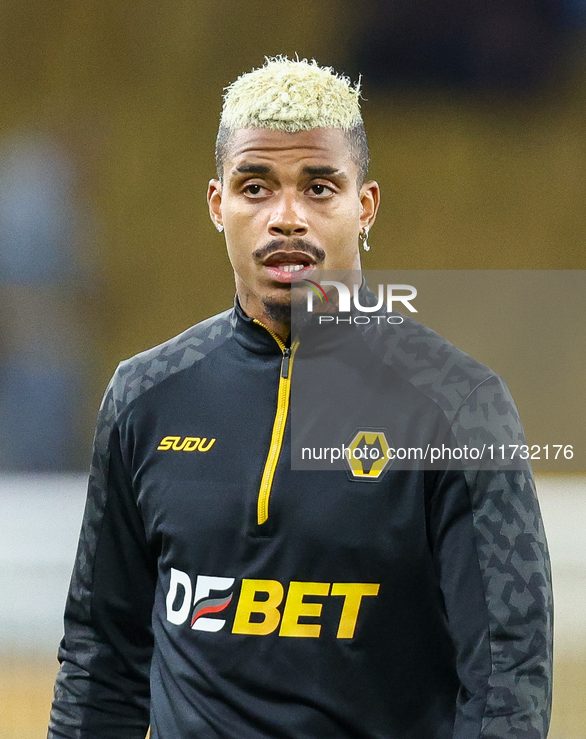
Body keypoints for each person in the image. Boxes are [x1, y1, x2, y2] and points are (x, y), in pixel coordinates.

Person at [48, 57, 552, 739]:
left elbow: (506, 678)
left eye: (319, 187)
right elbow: (99, 661)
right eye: (255, 186)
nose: (286, 217)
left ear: (364, 204)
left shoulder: (458, 406)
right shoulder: (143, 397)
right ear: (216, 202)